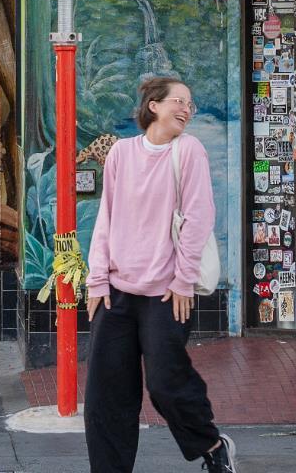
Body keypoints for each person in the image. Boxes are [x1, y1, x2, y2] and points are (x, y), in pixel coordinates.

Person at [84, 76, 237, 473]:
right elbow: (106, 217)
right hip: (117, 291)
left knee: (166, 384)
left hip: (167, 293)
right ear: (153, 105)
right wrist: (96, 279)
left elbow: (199, 218)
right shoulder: (121, 154)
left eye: (190, 104)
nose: (187, 109)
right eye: (178, 101)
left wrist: (183, 279)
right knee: (106, 394)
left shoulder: (189, 151)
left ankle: (212, 445)